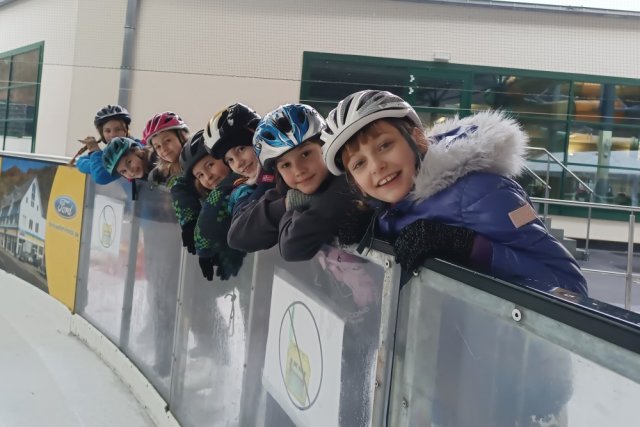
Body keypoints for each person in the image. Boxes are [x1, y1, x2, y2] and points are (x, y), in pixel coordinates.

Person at [321, 89, 587, 296]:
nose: (376, 166)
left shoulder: (484, 192)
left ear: (417, 139)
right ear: (355, 182)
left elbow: (570, 286)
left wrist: (469, 246)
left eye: (384, 145)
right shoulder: (388, 210)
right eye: (359, 163)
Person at [227, 104, 358, 261]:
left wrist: (303, 205)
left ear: (325, 147)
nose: (298, 170)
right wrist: (287, 203)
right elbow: (237, 237)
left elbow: (292, 247)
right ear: (278, 172)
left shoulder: (350, 182)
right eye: (286, 165)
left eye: (305, 154)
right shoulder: (290, 190)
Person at [179, 130, 246, 281]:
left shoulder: (232, 188)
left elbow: (208, 223)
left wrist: (204, 252)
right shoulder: (214, 193)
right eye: (200, 175)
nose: (208, 177)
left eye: (210, 165)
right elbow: (177, 184)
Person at [203, 103, 275, 215]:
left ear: (258, 140)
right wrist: (266, 179)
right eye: (230, 160)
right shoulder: (241, 192)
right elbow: (246, 217)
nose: (238, 164)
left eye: (241, 149)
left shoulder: (284, 165)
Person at [75, 104, 135, 185]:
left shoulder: (134, 149)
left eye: (118, 129)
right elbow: (80, 161)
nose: (113, 135)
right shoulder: (110, 152)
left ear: (126, 131)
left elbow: (100, 176)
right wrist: (96, 165)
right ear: (102, 134)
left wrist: (95, 151)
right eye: (108, 131)